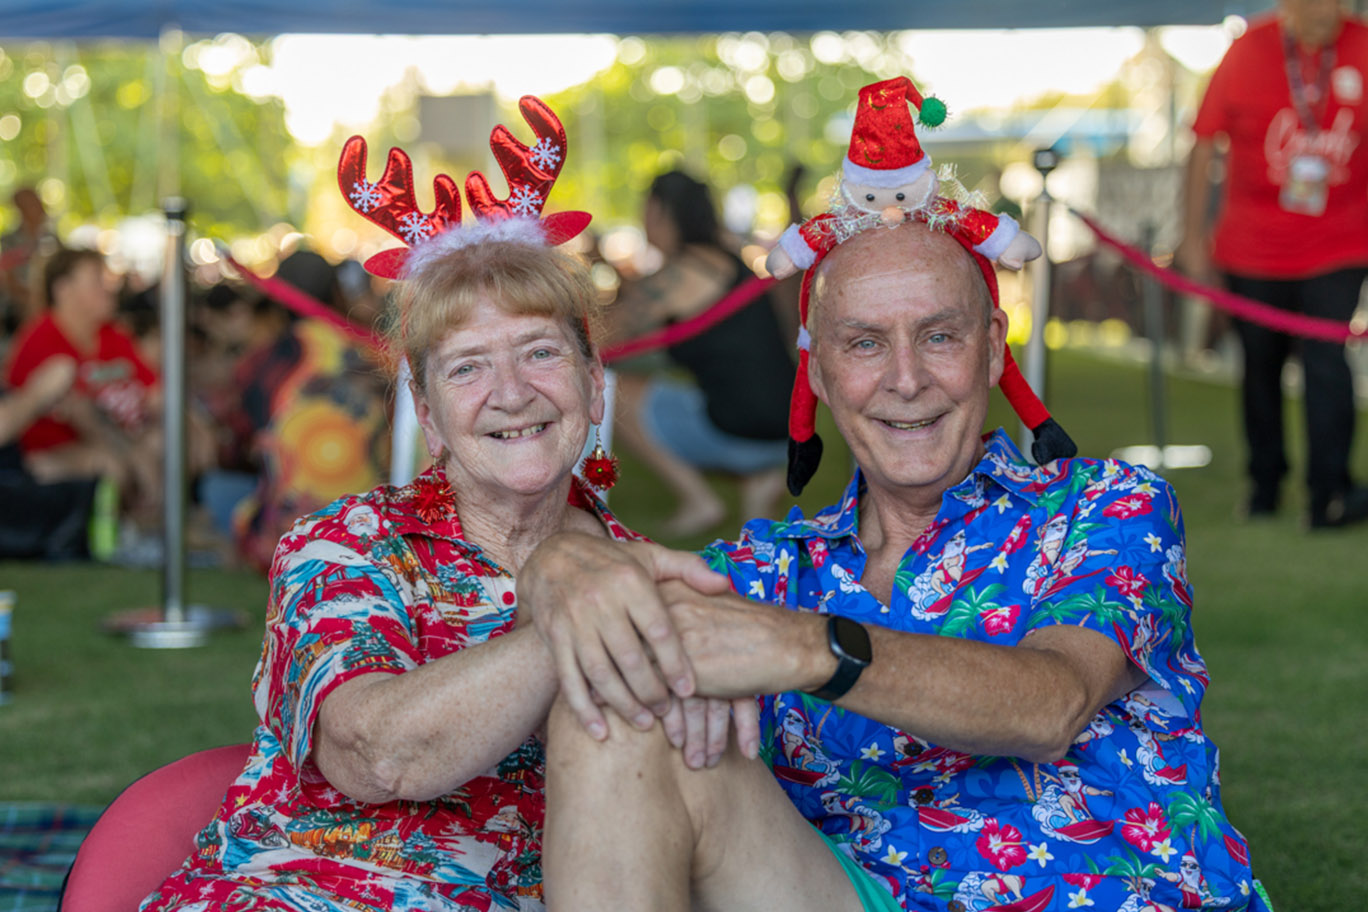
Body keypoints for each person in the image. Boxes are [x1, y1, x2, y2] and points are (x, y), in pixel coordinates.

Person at [519, 220, 1270, 909]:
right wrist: (560, 557)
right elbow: (598, 644)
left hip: (1100, 888)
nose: (906, 380)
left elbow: (1052, 705)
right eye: (865, 344)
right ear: (817, 370)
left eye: (939, 336)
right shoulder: (764, 573)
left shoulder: (1104, 505)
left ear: (992, 346)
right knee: (611, 721)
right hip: (840, 894)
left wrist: (807, 648)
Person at [140, 95, 728, 912]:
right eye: (467, 367)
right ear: (427, 409)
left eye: (539, 353)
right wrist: (579, 618)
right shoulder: (344, 545)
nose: (511, 393)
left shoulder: (646, 574)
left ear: (596, 386)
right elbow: (373, 755)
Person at [1178, 0, 1368, 527]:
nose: (1325, 10)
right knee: (1260, 364)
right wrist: (1192, 237)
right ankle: (1265, 483)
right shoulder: (1248, 50)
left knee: (1327, 360)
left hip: (1339, 243)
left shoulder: (1362, 44)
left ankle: (1329, 491)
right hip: (1253, 247)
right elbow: (1202, 142)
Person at [607, 170, 795, 537]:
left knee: (615, 391)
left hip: (740, 428)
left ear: (659, 210)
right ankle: (758, 482)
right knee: (697, 389)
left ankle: (700, 502)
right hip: (788, 430)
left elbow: (603, 336)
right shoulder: (727, 261)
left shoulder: (685, 271)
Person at [3, 247, 162, 517]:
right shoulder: (41, 341)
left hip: (117, 435)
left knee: (166, 440)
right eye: (96, 280)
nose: (108, 288)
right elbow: (83, 417)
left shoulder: (112, 335)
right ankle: (137, 525)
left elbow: (155, 392)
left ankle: (160, 519)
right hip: (53, 452)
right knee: (110, 464)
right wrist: (130, 449)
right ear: (63, 289)